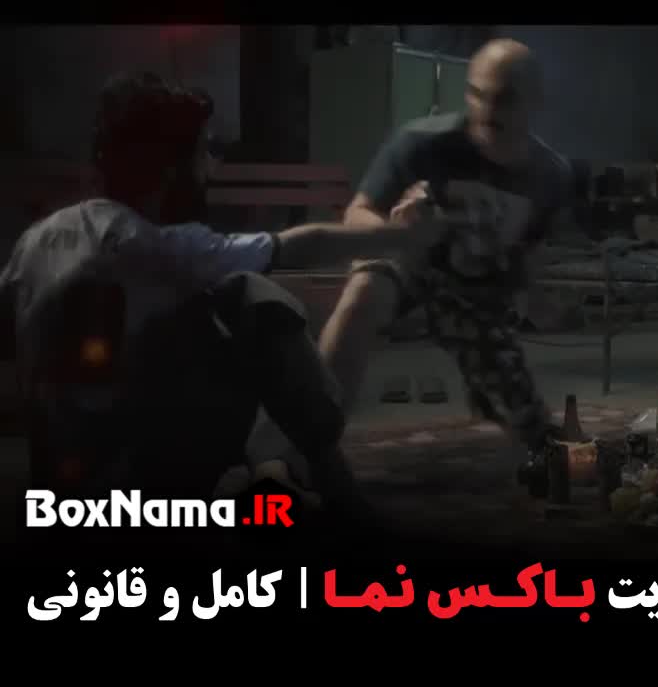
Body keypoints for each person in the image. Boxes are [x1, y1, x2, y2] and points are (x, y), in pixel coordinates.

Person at [0, 71, 444, 510]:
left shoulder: (34, 241)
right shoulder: (158, 246)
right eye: (204, 152)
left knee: (208, 309)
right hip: (132, 491)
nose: (212, 168)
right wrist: (402, 235)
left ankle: (297, 480)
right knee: (254, 299)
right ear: (172, 168)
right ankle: (324, 487)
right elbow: (299, 245)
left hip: (56, 490)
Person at [315, 39, 574, 480]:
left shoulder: (551, 176)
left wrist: (531, 301)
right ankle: (313, 439)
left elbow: (530, 255)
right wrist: (398, 229)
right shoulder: (422, 143)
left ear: (535, 102)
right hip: (407, 261)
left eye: (504, 99)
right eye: (477, 95)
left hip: (475, 293)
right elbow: (358, 213)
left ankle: (496, 399)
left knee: (539, 438)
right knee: (364, 292)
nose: (486, 111)